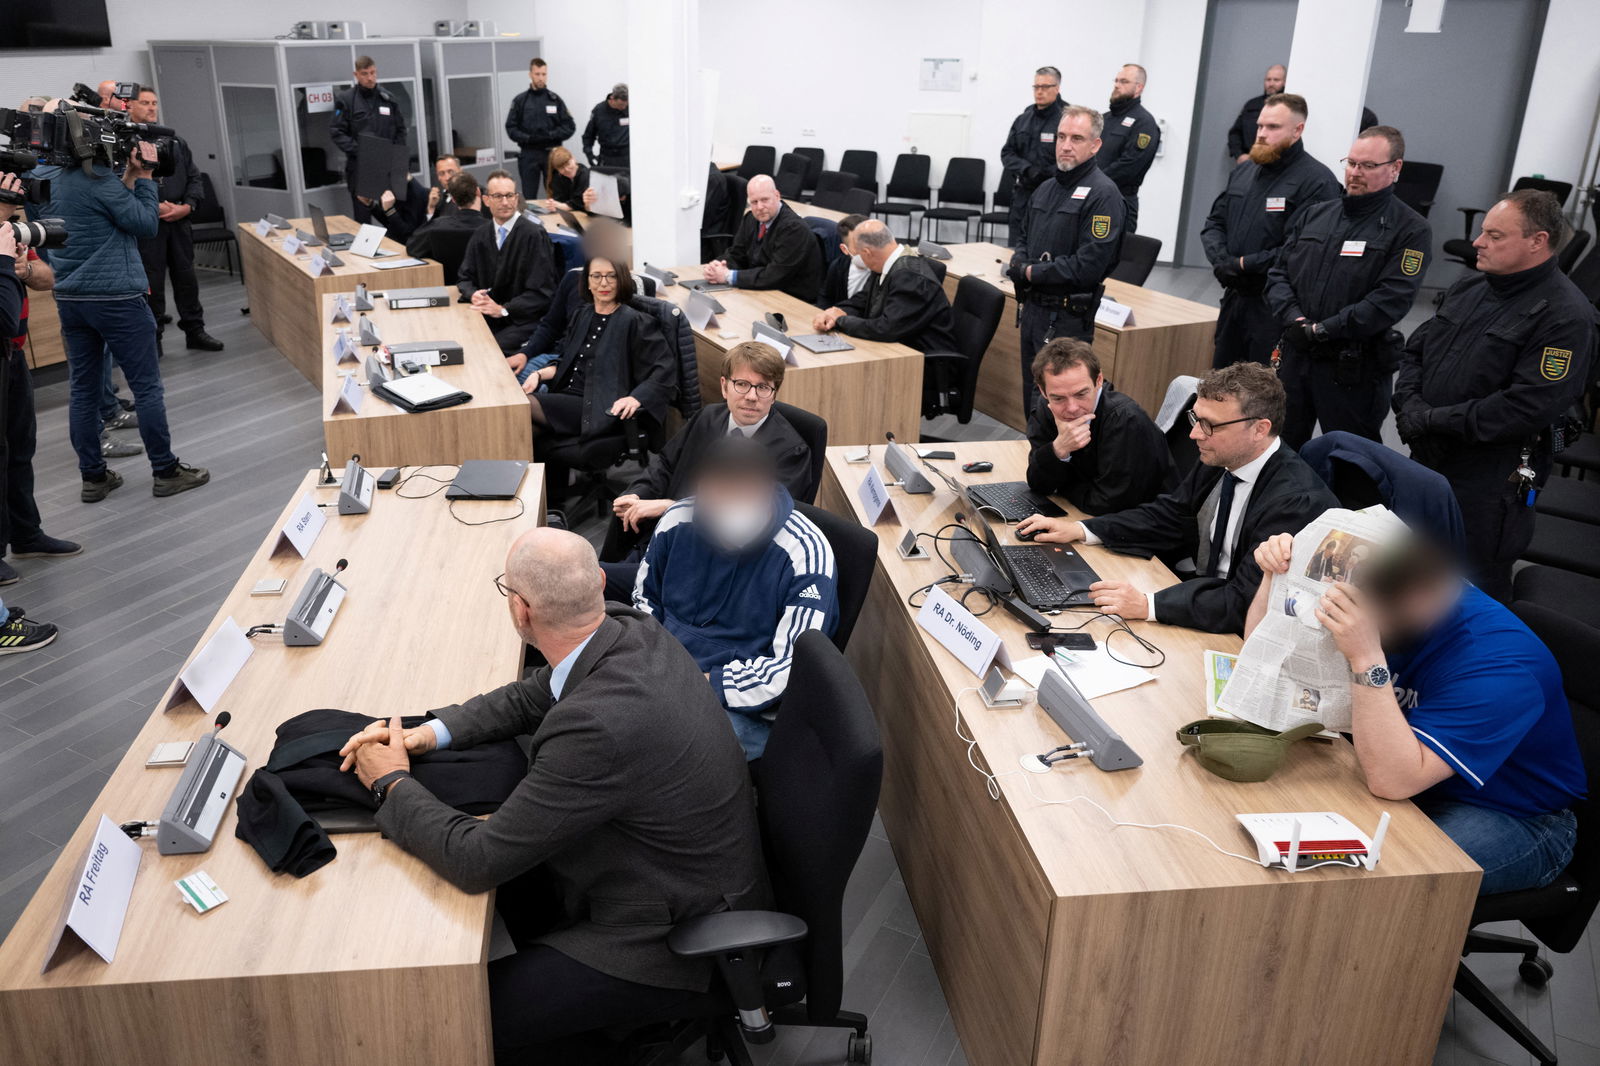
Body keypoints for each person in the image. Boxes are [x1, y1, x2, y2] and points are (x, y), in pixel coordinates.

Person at [336, 527, 768, 1062]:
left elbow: (477, 859)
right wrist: (429, 734)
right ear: (600, 584)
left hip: (676, 936)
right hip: (684, 869)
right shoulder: (630, 628)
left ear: (520, 611)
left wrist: (390, 781)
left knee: (464, 1012)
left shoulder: (598, 727)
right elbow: (535, 692)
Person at [1249, 531, 1583, 895]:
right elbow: (1264, 666)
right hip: (1402, 773)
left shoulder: (1503, 667)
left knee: (1353, 881)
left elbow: (1393, 780)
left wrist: (1366, 657)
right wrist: (1276, 576)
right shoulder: (1393, 598)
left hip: (1510, 815)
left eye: (1372, 618)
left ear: (1424, 599)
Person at [1016, 362, 1337, 634]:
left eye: (1209, 425)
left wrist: (1148, 605)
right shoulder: (1224, 457)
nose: (1195, 434)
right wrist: (1083, 530)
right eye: (1195, 419)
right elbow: (1170, 514)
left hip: (1239, 628)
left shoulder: (1294, 504)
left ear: (1259, 429)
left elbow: (1244, 600)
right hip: (1204, 596)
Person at [1393, 188, 1598, 602]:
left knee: (1468, 589)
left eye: (1495, 235)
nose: (1477, 242)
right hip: (1428, 457)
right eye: (1483, 231)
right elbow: (1416, 350)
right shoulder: (1471, 287)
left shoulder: (1566, 317)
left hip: (1487, 480)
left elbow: (1526, 407)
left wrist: (1430, 419)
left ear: (1537, 241)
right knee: (1408, 571)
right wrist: (1411, 404)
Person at [634, 436, 838, 760]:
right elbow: (644, 601)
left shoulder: (806, 555)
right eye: (718, 498)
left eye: (742, 497)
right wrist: (650, 661)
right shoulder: (677, 518)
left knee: (653, 750)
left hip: (744, 705)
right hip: (664, 672)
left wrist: (702, 684)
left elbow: (792, 666)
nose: (729, 511)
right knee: (600, 716)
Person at [52, 135, 208, 502]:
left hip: (71, 296)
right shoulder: (99, 180)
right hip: (117, 297)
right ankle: (165, 471)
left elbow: (101, 215)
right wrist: (146, 176)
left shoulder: (51, 177)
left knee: (83, 388)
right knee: (147, 387)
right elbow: (144, 222)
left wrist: (127, 179)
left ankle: (93, 477)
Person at [1266, 126, 1431, 447]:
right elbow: (1278, 273)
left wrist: (1325, 330)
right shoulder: (1316, 214)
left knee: (1351, 461)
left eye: (1368, 166)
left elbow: (1391, 299)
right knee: (1279, 448)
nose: (1355, 173)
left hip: (1352, 367)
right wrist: (1295, 320)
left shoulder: (1410, 229)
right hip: (1296, 355)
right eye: (1351, 163)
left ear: (1395, 168)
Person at [610, 342, 813, 563]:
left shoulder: (792, 451)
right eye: (742, 384)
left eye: (763, 387)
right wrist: (639, 493)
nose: (752, 396)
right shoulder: (707, 417)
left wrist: (672, 507)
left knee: (602, 581)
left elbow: (761, 521)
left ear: (774, 395)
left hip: (714, 557)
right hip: (664, 536)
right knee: (604, 569)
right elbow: (665, 464)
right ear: (724, 387)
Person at [1201, 93, 1340, 369]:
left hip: (1274, 307)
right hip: (1234, 300)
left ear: (1297, 130)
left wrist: (1243, 264)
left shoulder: (1316, 182)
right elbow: (1214, 223)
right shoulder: (1244, 172)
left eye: (1273, 127)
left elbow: (1301, 250)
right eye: (1260, 125)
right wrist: (1223, 262)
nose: (1262, 134)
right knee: (1221, 382)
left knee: (1263, 390)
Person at [1008, 105, 1124, 417]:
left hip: (1066, 317)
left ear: (1095, 145)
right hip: (1033, 311)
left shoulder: (1104, 195)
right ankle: (1036, 459)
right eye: (1061, 136)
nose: (1066, 145)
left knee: (1061, 407)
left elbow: (1088, 265)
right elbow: (1023, 236)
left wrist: (1031, 271)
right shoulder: (1046, 188)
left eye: (1076, 138)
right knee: (1033, 400)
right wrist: (1019, 259)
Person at [1, 180, 81, 584]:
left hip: (14, 353)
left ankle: (26, 534)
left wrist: (24, 267)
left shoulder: (13, 226)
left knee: (20, 448)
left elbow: (47, 278)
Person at [524, 256, 675, 451]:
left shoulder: (637, 322)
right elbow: (567, 362)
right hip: (566, 398)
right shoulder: (582, 314)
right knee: (526, 431)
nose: (603, 283)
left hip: (598, 406)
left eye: (611, 276)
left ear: (621, 281)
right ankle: (549, 481)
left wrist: (636, 398)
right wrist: (538, 374)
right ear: (587, 281)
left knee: (521, 406)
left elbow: (665, 370)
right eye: (596, 276)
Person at [1025, 338, 1174, 515]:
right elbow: (1037, 484)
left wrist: (1063, 486)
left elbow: (1108, 504)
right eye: (1058, 398)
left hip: (1147, 527)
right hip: (1086, 519)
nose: (1072, 408)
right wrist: (1058, 449)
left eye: (1081, 394)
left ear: (1098, 380)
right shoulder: (1046, 409)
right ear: (1043, 392)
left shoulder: (1125, 420)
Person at [125, 86, 223, 352]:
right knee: (151, 283)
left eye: (154, 103)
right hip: (147, 225)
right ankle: (153, 337)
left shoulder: (174, 141)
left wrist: (187, 207)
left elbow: (194, 177)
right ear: (129, 106)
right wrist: (151, 206)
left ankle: (195, 330)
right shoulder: (123, 142)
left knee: (186, 278)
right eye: (145, 103)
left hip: (179, 221)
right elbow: (117, 187)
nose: (151, 108)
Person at [812, 219, 955, 353]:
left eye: (856, 254)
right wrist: (834, 312)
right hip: (898, 348)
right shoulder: (884, 265)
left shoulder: (910, 278)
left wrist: (840, 320)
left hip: (923, 360)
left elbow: (886, 328)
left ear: (867, 253)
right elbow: (861, 301)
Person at [457, 170, 558, 353]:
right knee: (459, 339)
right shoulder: (480, 235)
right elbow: (464, 278)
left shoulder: (534, 235)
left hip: (523, 319)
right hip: (487, 314)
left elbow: (543, 293)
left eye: (509, 195)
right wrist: (473, 294)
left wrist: (503, 309)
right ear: (486, 200)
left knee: (487, 349)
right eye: (498, 196)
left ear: (516, 198)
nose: (505, 202)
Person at [702, 175, 822, 304]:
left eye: (764, 200)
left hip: (791, 298)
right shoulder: (751, 218)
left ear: (777, 196)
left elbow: (774, 275)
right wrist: (718, 266)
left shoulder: (793, 229)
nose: (759, 207)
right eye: (754, 202)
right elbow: (737, 253)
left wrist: (727, 276)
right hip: (761, 290)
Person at [329, 56, 408, 225]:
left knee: (395, 212)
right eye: (365, 74)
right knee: (363, 216)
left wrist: (398, 159)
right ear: (356, 74)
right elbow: (337, 132)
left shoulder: (388, 98)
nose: (370, 77)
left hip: (388, 163)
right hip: (361, 165)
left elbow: (401, 130)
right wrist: (361, 151)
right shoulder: (346, 100)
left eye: (373, 73)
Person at [1000, 66, 1067, 245]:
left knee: (1046, 247)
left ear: (1057, 88)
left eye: (1045, 87)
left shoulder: (1068, 118)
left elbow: (1072, 157)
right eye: (1036, 87)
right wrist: (1027, 169)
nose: (1039, 92)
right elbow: (1007, 153)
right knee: (1015, 247)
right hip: (1023, 193)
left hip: (1054, 195)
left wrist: (1047, 174)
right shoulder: (1024, 118)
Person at [1099, 64, 1161, 234]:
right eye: (1116, 80)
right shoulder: (1103, 119)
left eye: (1124, 81)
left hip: (1120, 201)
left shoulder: (1144, 123)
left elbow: (1130, 165)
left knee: (1115, 257)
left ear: (1139, 88)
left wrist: (1093, 180)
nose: (1117, 85)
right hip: (1095, 198)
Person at [505, 58, 575, 200]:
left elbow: (569, 126)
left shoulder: (555, 100)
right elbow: (511, 128)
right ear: (530, 74)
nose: (541, 78)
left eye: (544, 74)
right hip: (529, 153)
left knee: (555, 194)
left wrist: (551, 135)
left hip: (552, 153)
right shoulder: (521, 101)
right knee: (529, 195)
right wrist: (528, 138)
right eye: (537, 74)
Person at [405, 172, 490, 276]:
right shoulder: (493, 229)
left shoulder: (435, 227)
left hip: (447, 288)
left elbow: (412, 247)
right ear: (478, 192)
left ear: (453, 199)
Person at [1227, 64, 1286, 164]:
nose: (1271, 84)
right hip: (1249, 162)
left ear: (1284, 82)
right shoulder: (1252, 104)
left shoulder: (1288, 107)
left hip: (1276, 164)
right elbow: (1235, 133)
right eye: (1268, 80)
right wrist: (1239, 155)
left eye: (1276, 80)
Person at [815, 213, 869, 308]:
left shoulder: (883, 269)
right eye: (858, 246)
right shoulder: (838, 266)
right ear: (845, 249)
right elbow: (825, 297)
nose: (866, 250)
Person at [581, 84, 630, 170]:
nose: (624, 107)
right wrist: (589, 154)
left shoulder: (631, 108)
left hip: (627, 157)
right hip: (607, 158)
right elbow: (589, 135)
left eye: (626, 105)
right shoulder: (599, 110)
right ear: (612, 99)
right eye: (621, 105)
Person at [544, 147, 591, 213]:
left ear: (573, 159)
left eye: (568, 164)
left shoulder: (585, 175)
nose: (566, 169)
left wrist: (559, 205)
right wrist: (552, 204)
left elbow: (579, 203)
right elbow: (558, 198)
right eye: (561, 168)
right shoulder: (558, 176)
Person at [424, 154, 463, 222]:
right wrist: (431, 208)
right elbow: (432, 229)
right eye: (442, 173)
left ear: (460, 171)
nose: (447, 178)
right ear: (438, 177)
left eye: (451, 172)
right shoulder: (440, 200)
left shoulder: (472, 194)